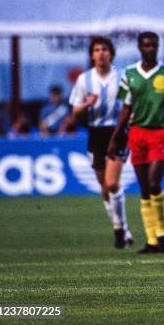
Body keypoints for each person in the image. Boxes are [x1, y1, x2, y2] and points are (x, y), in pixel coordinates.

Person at [108, 31, 164, 254]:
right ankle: (152, 240)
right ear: (139, 48)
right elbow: (126, 109)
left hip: (160, 133)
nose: (150, 48)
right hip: (136, 134)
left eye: (154, 45)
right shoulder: (129, 74)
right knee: (144, 188)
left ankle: (163, 235)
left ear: (158, 46)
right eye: (146, 45)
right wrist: (116, 137)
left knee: (154, 183)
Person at [69, 36, 133, 249]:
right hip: (95, 133)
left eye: (105, 49)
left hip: (117, 132)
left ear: (111, 53)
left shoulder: (122, 77)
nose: (101, 53)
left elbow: (130, 105)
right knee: (104, 187)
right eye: (97, 50)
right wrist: (86, 104)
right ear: (91, 55)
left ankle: (119, 229)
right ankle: (123, 228)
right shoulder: (84, 80)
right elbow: (75, 111)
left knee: (113, 183)